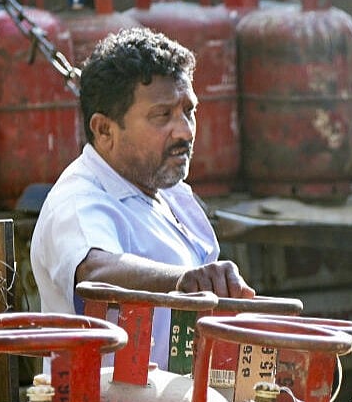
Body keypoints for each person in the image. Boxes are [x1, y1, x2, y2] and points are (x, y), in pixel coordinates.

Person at [31, 27, 254, 367]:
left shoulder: (171, 194)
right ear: (105, 130)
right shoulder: (78, 200)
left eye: (188, 111)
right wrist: (182, 281)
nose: (185, 130)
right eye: (162, 115)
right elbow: (94, 272)